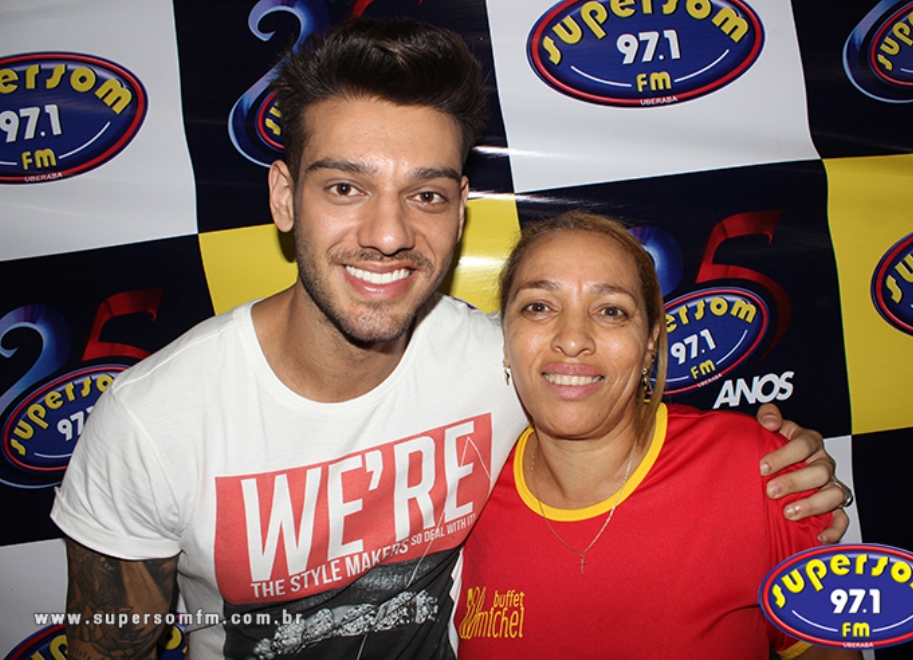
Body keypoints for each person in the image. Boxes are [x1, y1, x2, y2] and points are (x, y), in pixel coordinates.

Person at [50, 18, 849, 660]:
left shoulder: (503, 364)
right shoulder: (157, 422)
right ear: (285, 197)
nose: (389, 233)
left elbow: (624, 413)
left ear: (461, 209)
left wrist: (776, 464)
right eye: (345, 187)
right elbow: (107, 645)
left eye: (425, 194)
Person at [455, 212, 861, 659]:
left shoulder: (755, 469)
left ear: (650, 342)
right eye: (538, 307)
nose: (572, 339)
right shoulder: (461, 493)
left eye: (611, 311)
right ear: (505, 337)